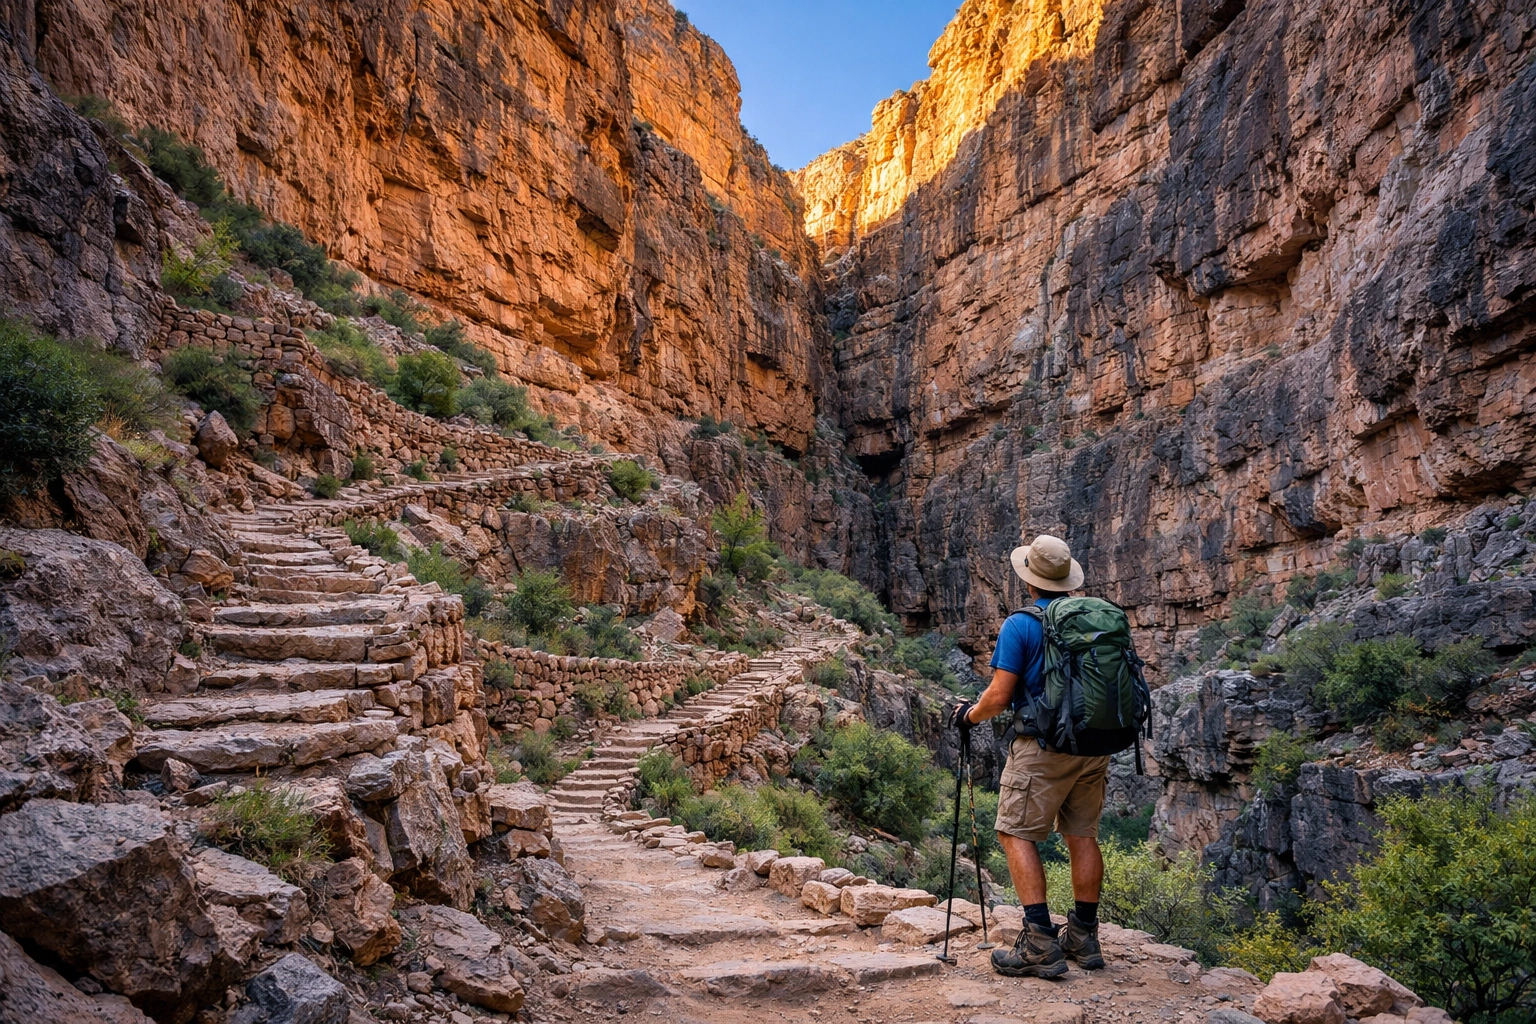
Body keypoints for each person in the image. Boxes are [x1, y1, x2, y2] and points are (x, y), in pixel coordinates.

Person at [949, 534, 1135, 978]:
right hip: (1095, 745)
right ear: (1068, 581)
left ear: (1028, 579)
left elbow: (998, 696)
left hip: (1044, 747)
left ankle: (1037, 941)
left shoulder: (1021, 624)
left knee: (1015, 833)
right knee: (1081, 834)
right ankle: (1084, 936)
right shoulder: (1095, 620)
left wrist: (968, 717)